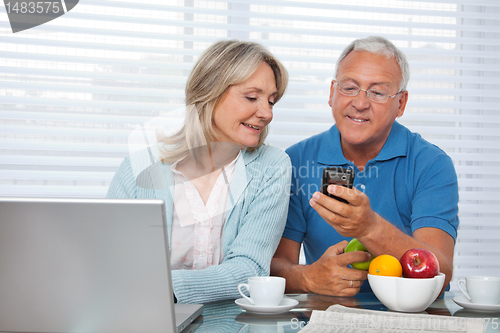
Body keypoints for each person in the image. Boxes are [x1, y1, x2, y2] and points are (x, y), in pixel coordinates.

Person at [270, 36, 459, 297]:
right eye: (349, 88)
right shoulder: (295, 161)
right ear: (331, 93)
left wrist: (370, 228)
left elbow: (441, 271)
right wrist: (308, 278)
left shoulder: (432, 165)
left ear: (401, 104)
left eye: (378, 92)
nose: (360, 103)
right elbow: (275, 267)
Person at [107, 40, 292, 304]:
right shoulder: (139, 168)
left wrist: (162, 288)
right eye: (252, 97)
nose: (266, 113)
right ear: (209, 92)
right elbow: (111, 263)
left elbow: (250, 269)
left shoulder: (272, 167)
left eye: (271, 101)